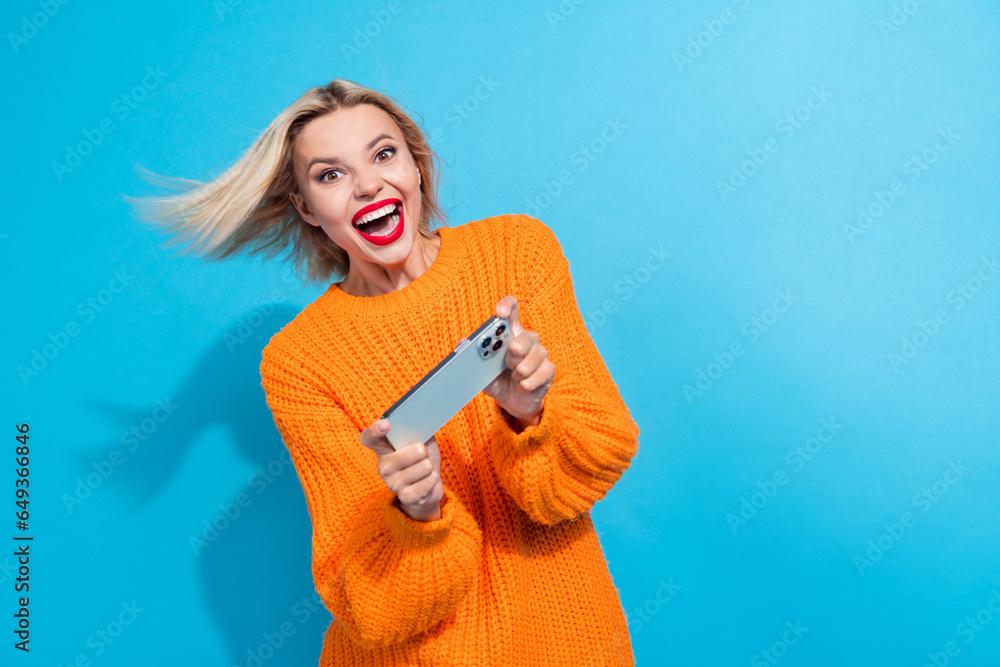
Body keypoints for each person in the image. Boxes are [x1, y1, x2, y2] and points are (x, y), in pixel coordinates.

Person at [133, 78, 641, 666]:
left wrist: (528, 414)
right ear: (306, 208)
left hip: (567, 641)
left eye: (383, 154)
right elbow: (370, 608)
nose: (368, 184)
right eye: (331, 175)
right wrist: (416, 512)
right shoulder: (298, 360)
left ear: (416, 165)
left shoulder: (517, 251)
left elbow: (578, 481)